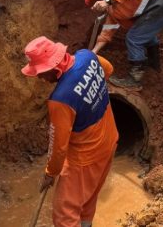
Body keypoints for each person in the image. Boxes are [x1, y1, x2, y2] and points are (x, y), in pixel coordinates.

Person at [22, 36, 118, 227]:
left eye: (41, 72)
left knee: (65, 213)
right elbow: (108, 70)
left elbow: (58, 146)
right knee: (87, 201)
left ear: (54, 68)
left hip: (84, 158)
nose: (40, 78)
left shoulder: (61, 100)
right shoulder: (87, 56)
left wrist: (50, 173)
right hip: (109, 141)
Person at [83, 0, 163, 88]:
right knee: (142, 33)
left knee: (134, 38)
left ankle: (135, 81)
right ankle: (153, 66)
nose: (97, 2)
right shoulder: (113, 9)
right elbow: (107, 31)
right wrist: (94, 52)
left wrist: (107, 1)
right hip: (158, 8)